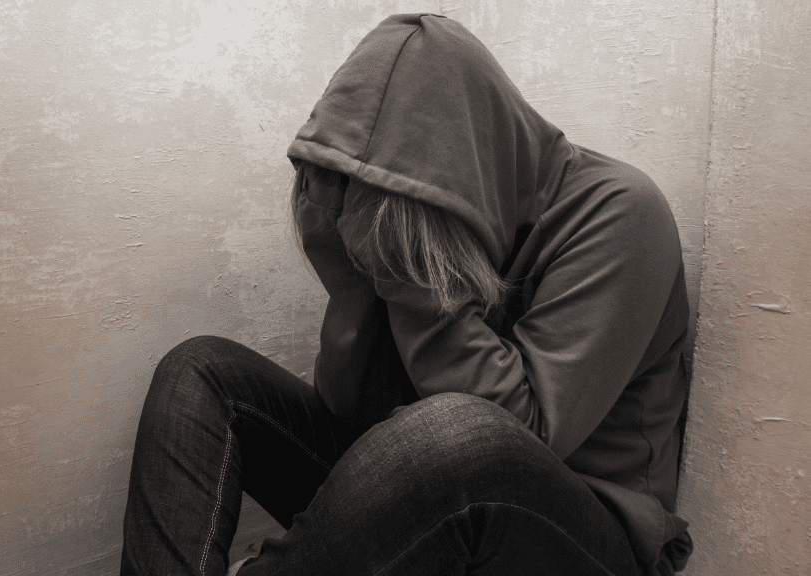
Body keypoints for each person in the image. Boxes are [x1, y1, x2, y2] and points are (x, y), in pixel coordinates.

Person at [120, 13, 692, 576]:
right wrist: (346, 275)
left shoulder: (620, 212)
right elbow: (355, 414)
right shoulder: (430, 231)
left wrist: (413, 267)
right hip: (440, 487)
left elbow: (524, 437)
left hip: (591, 537)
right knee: (199, 373)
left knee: (453, 436)